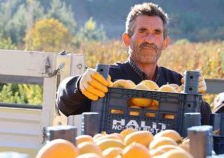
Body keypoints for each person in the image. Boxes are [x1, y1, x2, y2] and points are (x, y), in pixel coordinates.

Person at [56, 2, 211, 125]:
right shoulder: (107, 79)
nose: (150, 40)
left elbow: (205, 121)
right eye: (142, 31)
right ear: (127, 39)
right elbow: (65, 105)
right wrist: (77, 85)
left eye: (157, 33)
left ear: (165, 42)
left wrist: (197, 98)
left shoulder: (176, 83)